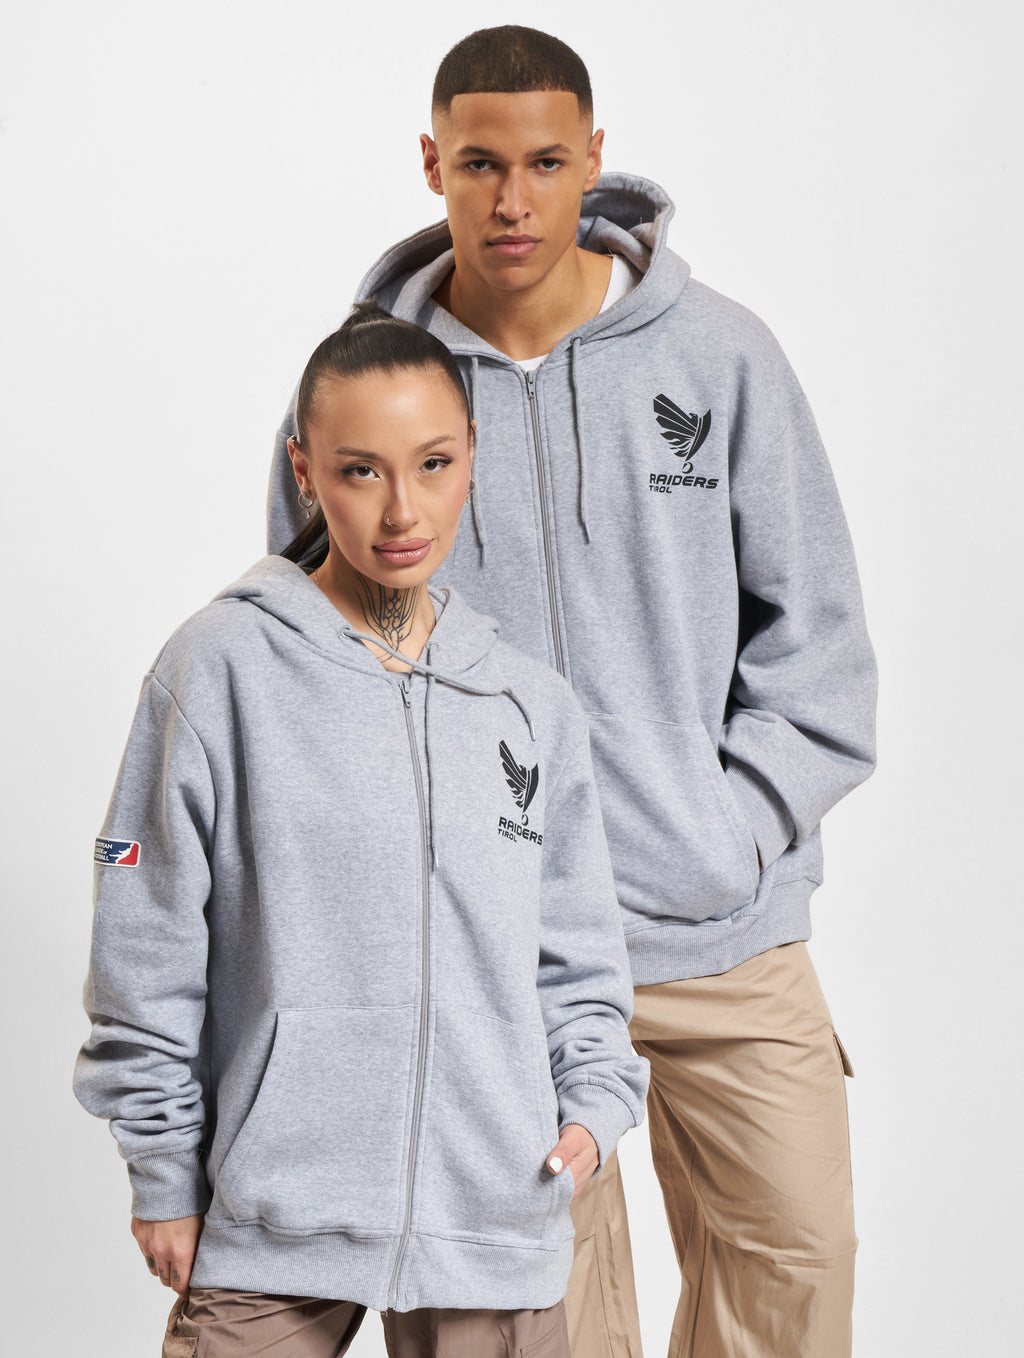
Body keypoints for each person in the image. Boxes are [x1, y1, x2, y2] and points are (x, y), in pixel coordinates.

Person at [265, 26, 878, 1358]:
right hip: (496, 960)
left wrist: (726, 834)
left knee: (796, 1272)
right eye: (479, 164)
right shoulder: (367, 390)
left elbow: (820, 645)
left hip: (722, 933)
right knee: (543, 1323)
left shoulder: (719, 356)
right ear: (431, 163)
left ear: (595, 159)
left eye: (545, 162)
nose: (512, 198)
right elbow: (316, 673)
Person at [74, 304, 650, 1358]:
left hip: (493, 1213)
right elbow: (146, 940)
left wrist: (593, 1108)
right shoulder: (220, 669)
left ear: (471, 457)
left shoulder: (528, 704)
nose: (401, 510)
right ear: (305, 472)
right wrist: (162, 1168)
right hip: (274, 1213)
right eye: (359, 471)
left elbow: (577, 954)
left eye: (433, 464)